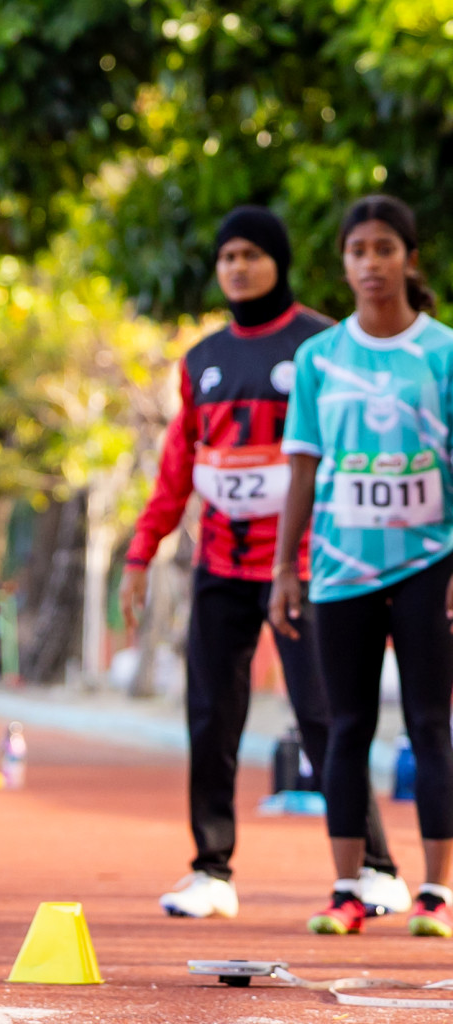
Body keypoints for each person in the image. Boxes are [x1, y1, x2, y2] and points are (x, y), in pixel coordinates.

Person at [120, 205, 404, 920]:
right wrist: (141, 551)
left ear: (277, 261)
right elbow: (179, 467)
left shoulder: (324, 345)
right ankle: (211, 871)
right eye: (227, 257)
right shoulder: (202, 359)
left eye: (250, 254)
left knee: (324, 714)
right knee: (211, 717)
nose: (237, 267)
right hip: (219, 563)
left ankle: (376, 865)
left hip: (306, 565)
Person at [272, 194, 453, 937]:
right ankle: (349, 887)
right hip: (341, 566)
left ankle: (437, 894)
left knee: (429, 724)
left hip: (429, 562)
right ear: (343, 263)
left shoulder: (443, 352)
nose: (370, 263)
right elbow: (305, 470)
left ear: (409, 257)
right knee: (345, 726)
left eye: (384, 248)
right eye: (357, 251)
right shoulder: (319, 359)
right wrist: (286, 566)